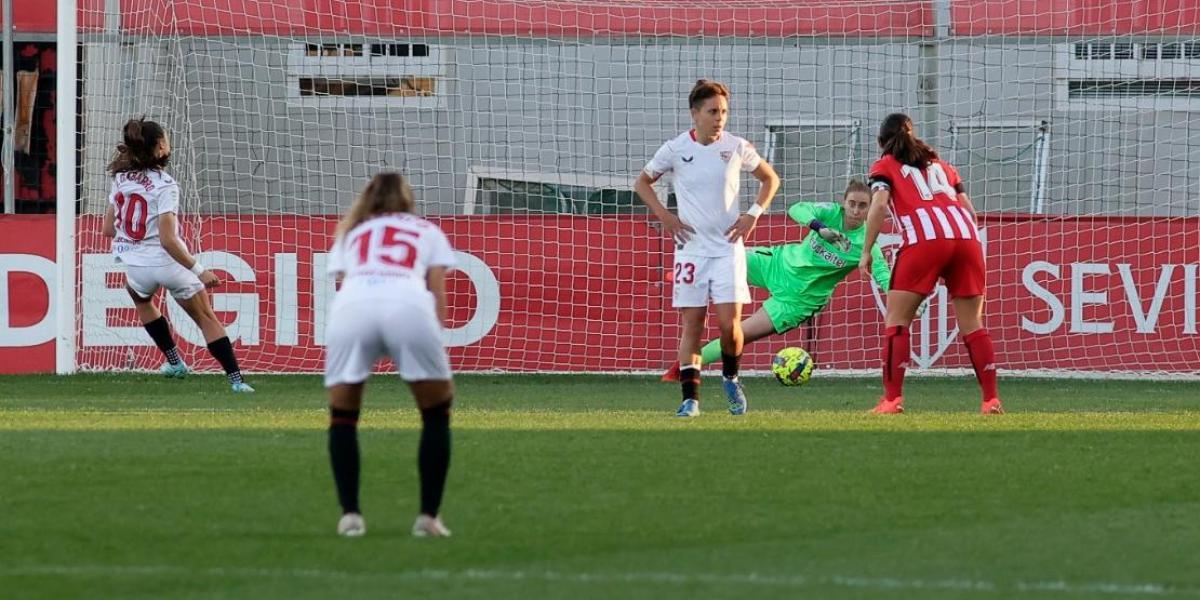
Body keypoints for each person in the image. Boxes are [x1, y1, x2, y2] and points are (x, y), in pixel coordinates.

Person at [634, 79, 780, 417]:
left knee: (730, 326)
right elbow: (642, 182)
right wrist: (665, 216)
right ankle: (691, 400)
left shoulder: (737, 146)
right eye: (713, 111)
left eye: (724, 112)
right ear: (695, 114)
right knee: (693, 325)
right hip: (691, 251)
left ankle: (730, 377)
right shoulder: (674, 149)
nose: (720, 118)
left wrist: (753, 215)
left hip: (728, 249)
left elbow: (770, 179)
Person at [324, 172, 457, 538]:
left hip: (352, 306)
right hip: (408, 304)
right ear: (407, 199)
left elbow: (344, 282)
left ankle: (350, 515)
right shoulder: (426, 230)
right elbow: (437, 291)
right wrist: (435, 339)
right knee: (436, 411)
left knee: (343, 415)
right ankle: (428, 517)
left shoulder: (352, 232)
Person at [661, 179, 898, 380]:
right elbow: (797, 208)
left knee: (738, 334)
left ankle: (679, 370)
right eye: (852, 204)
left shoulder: (868, 244)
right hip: (778, 264)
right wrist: (820, 228)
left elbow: (883, 276)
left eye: (863, 206)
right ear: (843, 203)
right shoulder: (831, 213)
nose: (856, 210)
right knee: (727, 255)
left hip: (799, 299)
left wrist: (902, 299)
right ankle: (693, 276)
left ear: (870, 210)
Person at [859, 113, 1003, 415]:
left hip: (924, 241)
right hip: (967, 238)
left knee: (897, 321)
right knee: (973, 324)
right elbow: (969, 210)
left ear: (881, 142)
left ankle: (892, 400)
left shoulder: (883, 166)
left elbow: (880, 204)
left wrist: (867, 250)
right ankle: (990, 400)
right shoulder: (944, 167)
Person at [101, 118, 253, 393]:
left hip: (135, 265)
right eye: (167, 139)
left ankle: (174, 362)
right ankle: (236, 381)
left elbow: (107, 229)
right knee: (206, 318)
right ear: (160, 146)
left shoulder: (120, 179)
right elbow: (168, 240)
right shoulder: (165, 185)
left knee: (141, 298)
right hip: (167, 263)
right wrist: (199, 270)